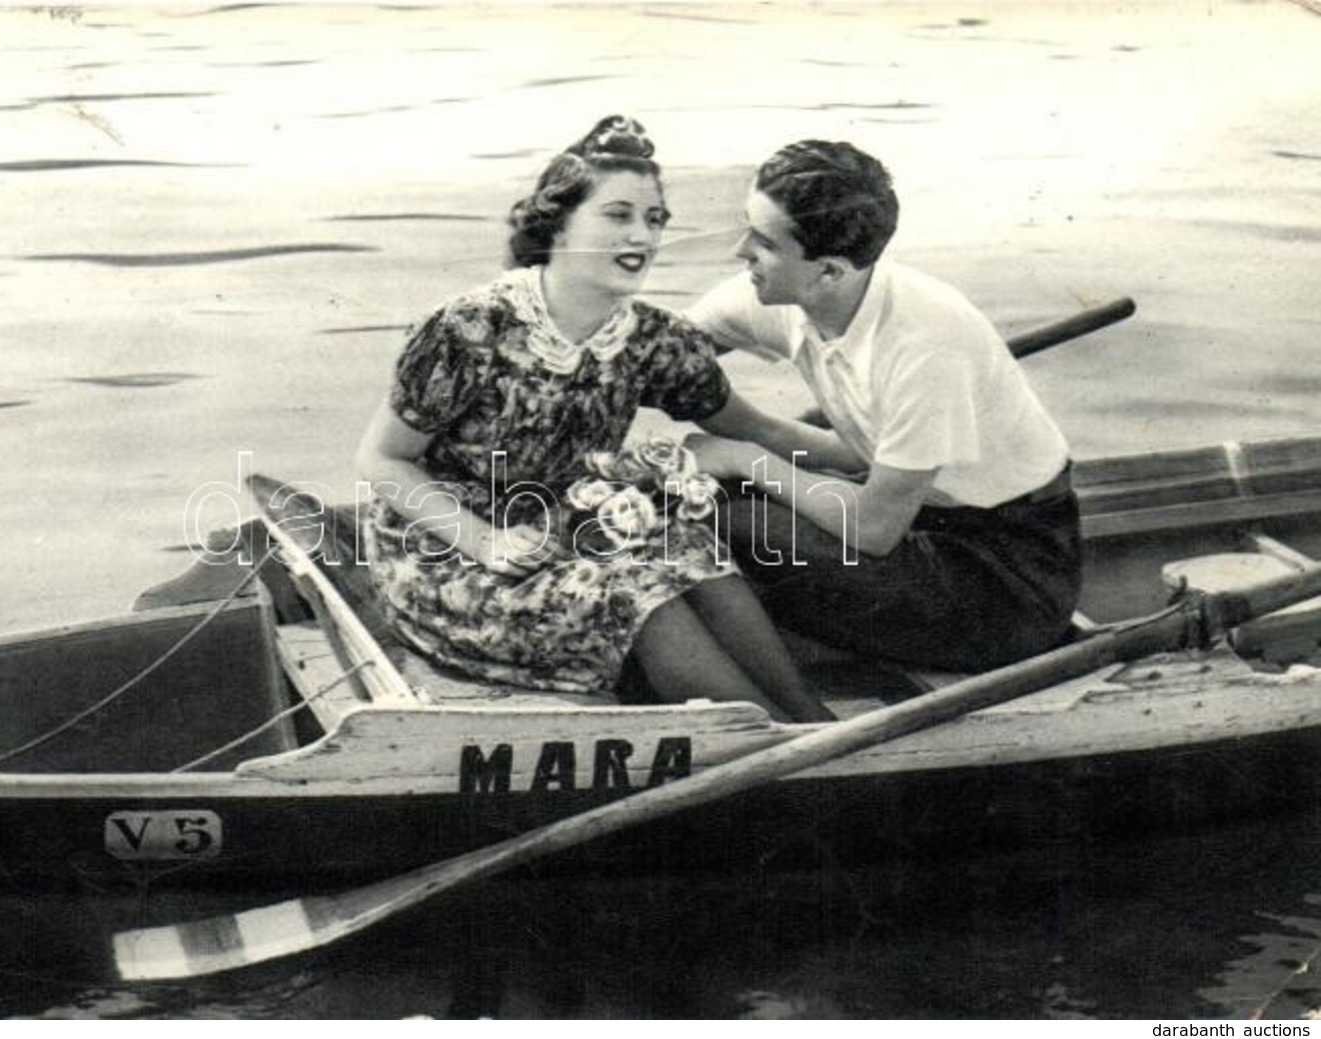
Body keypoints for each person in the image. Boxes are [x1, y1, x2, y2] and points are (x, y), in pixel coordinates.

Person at [354, 116, 834, 722]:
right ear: (558, 221)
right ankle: (770, 742)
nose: (642, 235)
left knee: (687, 547)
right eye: (618, 214)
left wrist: (873, 461)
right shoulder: (471, 329)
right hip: (451, 553)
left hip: (565, 525)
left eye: (654, 219)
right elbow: (380, 459)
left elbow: (760, 430)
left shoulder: (652, 340)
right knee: (632, 592)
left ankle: (813, 724)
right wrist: (488, 542)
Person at [682, 140, 1081, 672]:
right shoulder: (792, 289)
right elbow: (653, 351)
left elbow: (873, 528)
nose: (740, 251)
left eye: (763, 242)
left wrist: (742, 457)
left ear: (828, 271)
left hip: (1005, 579)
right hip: (925, 516)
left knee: (726, 517)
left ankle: (768, 671)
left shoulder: (926, 343)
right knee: (691, 492)